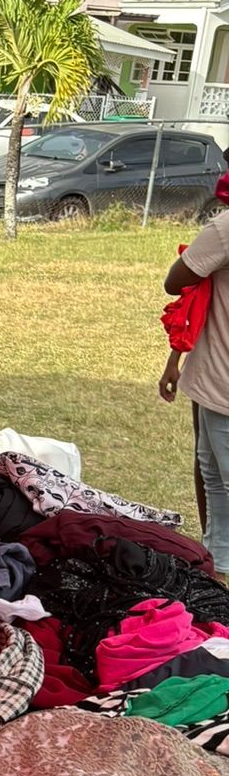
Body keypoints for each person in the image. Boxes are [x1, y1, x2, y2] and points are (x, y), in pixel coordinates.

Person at [163, 191, 229, 569]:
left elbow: (177, 281)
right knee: (212, 473)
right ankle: (217, 565)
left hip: (221, 382)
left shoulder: (224, 228)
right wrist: (175, 358)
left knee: (219, 478)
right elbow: (199, 299)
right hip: (211, 373)